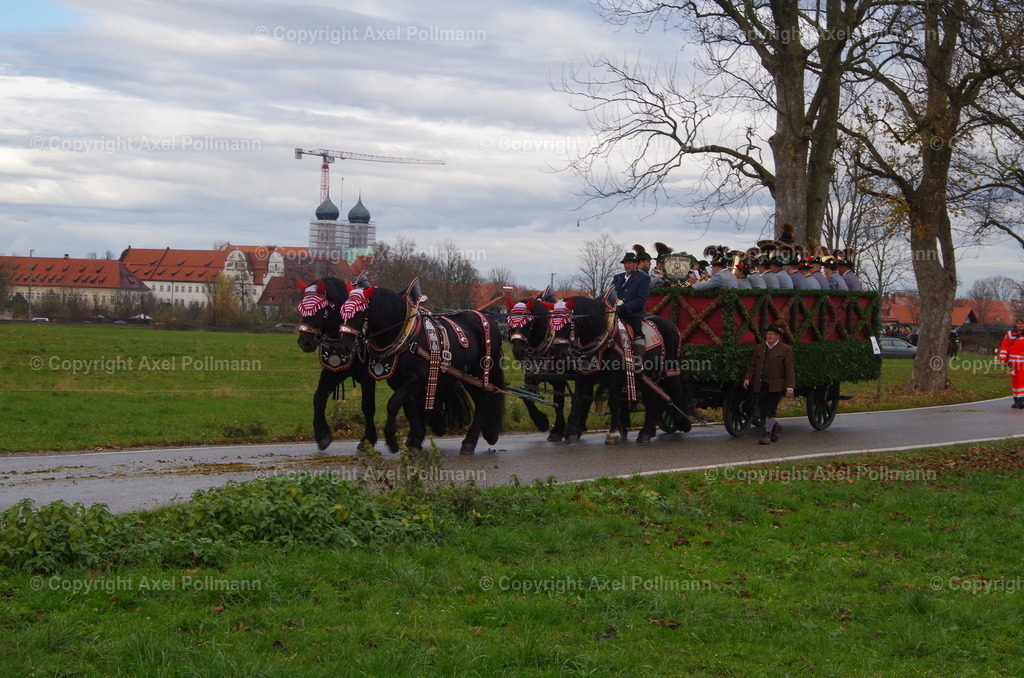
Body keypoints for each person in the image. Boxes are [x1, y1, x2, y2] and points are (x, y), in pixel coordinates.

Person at [743, 323, 796, 444]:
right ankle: (773, 427)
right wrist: (747, 378)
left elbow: (789, 369)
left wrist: (790, 387)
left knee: (770, 410)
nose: (769, 336)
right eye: (767, 334)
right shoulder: (760, 348)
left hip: (776, 386)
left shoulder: (785, 349)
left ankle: (767, 434)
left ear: (777, 336)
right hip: (761, 384)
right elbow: (753, 365)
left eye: (772, 334)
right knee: (762, 409)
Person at [612, 251, 651, 351]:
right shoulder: (617, 277)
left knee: (637, 332)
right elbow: (610, 293)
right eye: (625, 263)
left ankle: (639, 354)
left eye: (630, 263)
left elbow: (641, 299)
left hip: (632, 313)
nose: (627, 265)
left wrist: (625, 308)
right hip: (615, 312)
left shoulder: (644, 278)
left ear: (636, 264)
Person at [998, 318, 1024, 408]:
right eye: (1019, 323)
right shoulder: (1010, 334)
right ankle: (1016, 400)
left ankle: (1021, 400)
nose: (1021, 325)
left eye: (1022, 323)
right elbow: (1005, 347)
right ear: (1016, 324)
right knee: (1015, 381)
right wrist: (1002, 359)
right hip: (1012, 363)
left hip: (1022, 363)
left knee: (1022, 380)